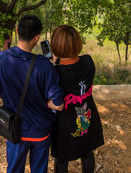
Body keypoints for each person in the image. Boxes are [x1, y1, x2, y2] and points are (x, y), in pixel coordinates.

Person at [0, 15, 64, 173]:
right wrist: (43, 101)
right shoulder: (45, 66)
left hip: (15, 130)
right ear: (37, 38)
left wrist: (9, 92)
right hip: (40, 131)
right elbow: (58, 105)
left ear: (16, 31)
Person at [50, 25, 104, 173]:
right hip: (88, 117)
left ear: (54, 46)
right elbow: (74, 66)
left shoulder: (54, 72)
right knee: (87, 152)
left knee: (61, 158)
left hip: (64, 124)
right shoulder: (88, 61)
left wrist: (55, 62)